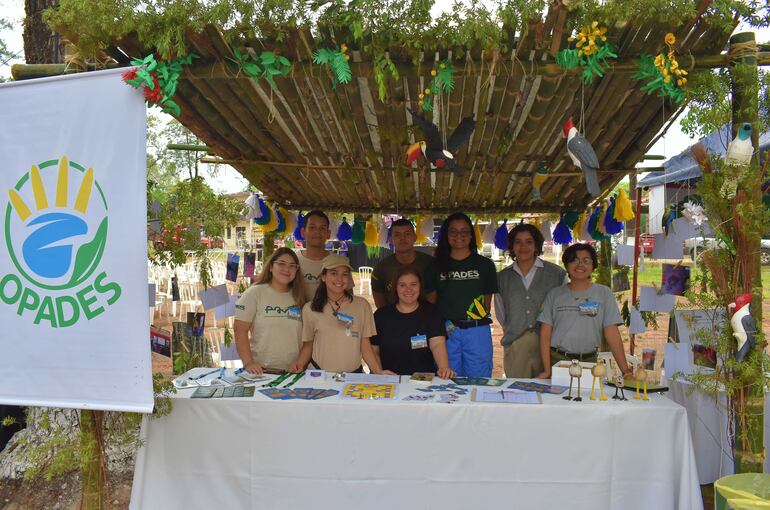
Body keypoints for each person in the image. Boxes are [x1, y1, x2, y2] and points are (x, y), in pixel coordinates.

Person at [536, 243, 633, 379]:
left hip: (590, 363)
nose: (580, 265)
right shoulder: (555, 294)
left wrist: (625, 371)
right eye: (574, 260)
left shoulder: (604, 293)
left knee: (589, 397)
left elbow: (612, 333)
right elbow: (545, 334)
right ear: (566, 265)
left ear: (593, 266)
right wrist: (547, 370)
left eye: (586, 261)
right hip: (558, 362)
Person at [289, 254, 391, 374]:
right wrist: (299, 364)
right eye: (334, 273)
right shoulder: (310, 309)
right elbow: (308, 345)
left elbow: (365, 345)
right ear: (323, 277)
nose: (340, 279)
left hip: (353, 377)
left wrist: (378, 371)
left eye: (345, 274)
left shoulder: (362, 306)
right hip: (319, 377)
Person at [428, 212, 498, 377]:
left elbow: (486, 304)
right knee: (447, 381)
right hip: (446, 331)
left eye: (464, 231)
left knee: (478, 382)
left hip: (477, 331)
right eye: (453, 231)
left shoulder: (485, 265)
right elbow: (431, 306)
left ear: (471, 235)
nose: (459, 236)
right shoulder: (435, 266)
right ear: (446, 235)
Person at [495, 223, 567, 378]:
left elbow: (563, 309)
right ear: (512, 247)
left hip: (549, 348)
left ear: (536, 245)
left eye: (529, 242)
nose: (523, 246)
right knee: (517, 394)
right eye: (518, 242)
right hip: (516, 347)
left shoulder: (557, 274)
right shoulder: (502, 278)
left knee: (548, 395)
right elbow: (502, 314)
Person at [371, 266, 455, 378]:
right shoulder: (381, 316)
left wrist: (443, 367)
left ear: (420, 286)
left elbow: (437, 343)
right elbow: (373, 350)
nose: (408, 289)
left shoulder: (432, 313)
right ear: (395, 288)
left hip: (423, 381)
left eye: (413, 284)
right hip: (389, 380)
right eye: (402, 285)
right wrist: (379, 373)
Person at [233, 248, 305, 374]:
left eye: (292, 266)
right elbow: (240, 330)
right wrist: (248, 362)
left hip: (293, 372)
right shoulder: (254, 293)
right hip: (262, 372)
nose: (287, 269)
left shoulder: (299, 296)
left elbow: (307, 337)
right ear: (271, 266)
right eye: (281, 264)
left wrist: (300, 362)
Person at [371, 218, 437, 308]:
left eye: (407, 234)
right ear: (391, 240)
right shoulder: (381, 268)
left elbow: (434, 297)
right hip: (394, 319)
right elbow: (380, 303)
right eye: (397, 235)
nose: (402, 238)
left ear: (415, 237)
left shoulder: (430, 263)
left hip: (425, 318)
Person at [295, 210, 353, 301]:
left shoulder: (339, 261)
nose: (317, 231)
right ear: (303, 232)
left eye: (322, 228)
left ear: (328, 233)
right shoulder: (293, 261)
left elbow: (349, 296)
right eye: (312, 227)